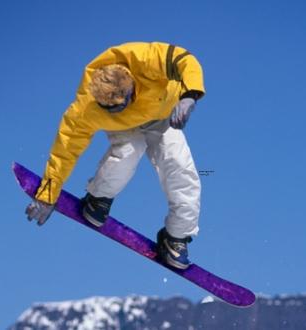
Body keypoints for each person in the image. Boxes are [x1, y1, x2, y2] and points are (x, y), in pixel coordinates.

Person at [25, 42, 205, 269]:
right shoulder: (86, 108)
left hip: (163, 114)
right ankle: (98, 198)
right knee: (128, 153)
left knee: (180, 170)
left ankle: (176, 238)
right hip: (125, 129)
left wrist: (190, 95)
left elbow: (184, 59)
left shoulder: (144, 59)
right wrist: (47, 195)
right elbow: (65, 151)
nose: (120, 109)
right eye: (112, 108)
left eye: (122, 104)